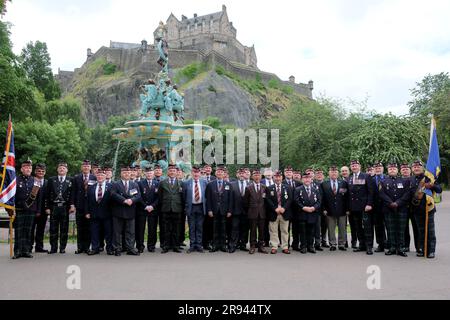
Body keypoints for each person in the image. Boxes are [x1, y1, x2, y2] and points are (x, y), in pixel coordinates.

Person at [409, 160, 442, 258]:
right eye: (414, 167)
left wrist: (432, 185)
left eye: (418, 166)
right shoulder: (410, 179)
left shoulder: (428, 177)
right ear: (412, 169)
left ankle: (431, 251)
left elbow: (439, 189)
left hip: (428, 208)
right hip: (416, 209)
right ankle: (423, 249)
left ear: (422, 168)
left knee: (430, 231)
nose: (416, 168)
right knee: (421, 231)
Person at [378, 162, 410, 257]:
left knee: (401, 229)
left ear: (397, 170)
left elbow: (407, 193)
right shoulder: (383, 182)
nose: (392, 170)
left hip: (401, 208)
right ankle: (392, 247)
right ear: (388, 171)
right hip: (388, 208)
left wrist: (398, 203)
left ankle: (400, 248)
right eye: (390, 169)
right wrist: (390, 203)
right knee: (390, 229)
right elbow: (381, 194)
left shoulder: (404, 181)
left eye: (394, 169)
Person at [11, 160, 39, 259]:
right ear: (22, 169)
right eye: (26, 167)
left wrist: (37, 210)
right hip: (19, 209)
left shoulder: (35, 180)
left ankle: (26, 251)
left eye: (30, 168)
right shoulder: (16, 180)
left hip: (31, 209)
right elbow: (12, 195)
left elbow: (38, 197)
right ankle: (17, 251)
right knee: (19, 231)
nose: (28, 169)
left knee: (28, 231)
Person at [110, 167, 141, 256]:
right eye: (124, 172)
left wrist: (132, 200)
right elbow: (113, 194)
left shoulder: (134, 184)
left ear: (130, 173)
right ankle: (117, 249)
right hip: (118, 211)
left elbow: (138, 196)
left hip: (130, 211)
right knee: (117, 232)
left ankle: (130, 248)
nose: (126, 174)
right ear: (121, 174)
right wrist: (124, 200)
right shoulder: (115, 184)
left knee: (130, 232)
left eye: (128, 172)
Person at [46, 162, 75, 254]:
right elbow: (47, 194)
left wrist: (72, 205)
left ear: (67, 170)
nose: (62, 169)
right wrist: (47, 207)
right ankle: (53, 248)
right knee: (53, 229)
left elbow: (72, 195)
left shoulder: (71, 180)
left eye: (63, 168)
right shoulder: (51, 179)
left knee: (64, 229)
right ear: (57, 170)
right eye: (60, 168)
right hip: (54, 207)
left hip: (65, 208)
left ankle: (62, 247)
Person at [348, 160, 375, 255]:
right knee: (358, 227)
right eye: (352, 166)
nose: (354, 167)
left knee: (367, 227)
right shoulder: (350, 178)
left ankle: (369, 246)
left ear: (359, 166)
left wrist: (369, 204)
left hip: (365, 207)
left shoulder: (366, 176)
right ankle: (362, 245)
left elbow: (371, 192)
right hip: (354, 207)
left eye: (355, 165)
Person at [321, 166, 349, 251]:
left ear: (338, 173)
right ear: (329, 173)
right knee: (331, 228)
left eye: (335, 172)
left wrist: (347, 209)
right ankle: (332, 244)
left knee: (342, 228)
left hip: (342, 209)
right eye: (332, 172)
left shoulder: (343, 183)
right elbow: (322, 198)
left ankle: (341, 244)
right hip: (329, 210)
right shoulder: (324, 184)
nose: (334, 173)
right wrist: (324, 209)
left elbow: (346, 197)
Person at [86, 169, 113, 255]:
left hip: (107, 214)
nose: (100, 177)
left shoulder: (111, 186)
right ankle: (95, 248)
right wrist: (87, 212)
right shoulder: (91, 187)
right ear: (96, 177)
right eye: (99, 175)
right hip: (94, 214)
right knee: (94, 232)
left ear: (105, 177)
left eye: (102, 175)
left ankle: (109, 248)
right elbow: (87, 201)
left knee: (108, 233)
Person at [206, 166, 233, 252]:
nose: (220, 173)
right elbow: (208, 198)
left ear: (224, 174)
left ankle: (223, 246)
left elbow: (230, 199)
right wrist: (209, 210)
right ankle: (215, 245)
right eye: (218, 172)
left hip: (224, 211)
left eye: (221, 172)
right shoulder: (210, 184)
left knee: (223, 229)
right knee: (215, 229)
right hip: (214, 210)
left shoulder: (228, 185)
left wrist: (229, 210)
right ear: (215, 173)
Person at [158, 164, 184, 253]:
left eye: (174, 171)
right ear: (167, 172)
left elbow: (182, 196)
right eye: (170, 171)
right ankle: (166, 246)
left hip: (177, 208)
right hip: (166, 208)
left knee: (176, 228)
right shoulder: (162, 183)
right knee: (166, 228)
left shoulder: (181, 183)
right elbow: (160, 196)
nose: (172, 172)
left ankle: (176, 246)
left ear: (176, 172)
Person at [72, 159, 96, 254]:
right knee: (80, 227)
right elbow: (73, 192)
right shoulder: (76, 178)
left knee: (88, 228)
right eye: (84, 166)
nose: (86, 167)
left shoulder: (94, 178)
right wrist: (72, 204)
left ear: (90, 168)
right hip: (80, 206)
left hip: (90, 207)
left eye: (88, 166)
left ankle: (87, 247)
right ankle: (80, 247)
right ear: (82, 167)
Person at [265, 170, 292, 254]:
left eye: (279, 176)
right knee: (273, 231)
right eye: (276, 177)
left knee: (285, 231)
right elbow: (268, 200)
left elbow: (290, 199)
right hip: (274, 213)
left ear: (282, 177)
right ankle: (274, 246)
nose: (277, 178)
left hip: (284, 212)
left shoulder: (287, 187)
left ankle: (285, 247)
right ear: (273, 178)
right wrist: (275, 208)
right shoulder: (269, 188)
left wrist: (284, 208)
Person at [295, 171, 322, 254]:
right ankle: (303, 246)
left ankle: (310, 246)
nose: (307, 180)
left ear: (311, 179)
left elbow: (319, 201)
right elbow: (296, 201)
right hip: (302, 214)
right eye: (305, 178)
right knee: (302, 231)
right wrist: (303, 207)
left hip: (312, 213)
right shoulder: (298, 189)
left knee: (311, 231)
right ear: (302, 180)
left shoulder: (315, 190)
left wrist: (314, 208)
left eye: (308, 178)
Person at [183, 166, 207, 253]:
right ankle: (192, 245)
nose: (196, 174)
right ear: (192, 173)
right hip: (191, 207)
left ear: (200, 173)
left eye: (197, 172)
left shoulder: (204, 182)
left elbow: (206, 196)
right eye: (194, 172)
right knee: (192, 227)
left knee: (200, 227)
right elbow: (184, 197)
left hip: (201, 207)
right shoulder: (186, 183)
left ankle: (199, 245)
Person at [244, 169, 268, 254]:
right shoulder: (248, 187)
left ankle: (261, 246)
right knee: (253, 230)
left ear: (261, 176)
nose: (257, 176)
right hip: (252, 213)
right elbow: (246, 202)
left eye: (258, 175)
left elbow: (266, 201)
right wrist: (250, 210)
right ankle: (252, 246)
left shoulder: (264, 187)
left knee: (262, 231)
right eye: (255, 175)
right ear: (252, 177)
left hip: (262, 213)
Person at [137, 167, 160, 253]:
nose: (149, 174)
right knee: (140, 229)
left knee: (152, 229)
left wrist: (152, 206)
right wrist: (145, 206)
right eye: (147, 173)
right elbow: (138, 196)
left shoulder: (157, 183)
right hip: (142, 209)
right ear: (145, 174)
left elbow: (159, 197)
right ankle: (140, 246)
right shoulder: (139, 183)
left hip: (153, 210)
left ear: (153, 174)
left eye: (151, 173)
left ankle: (151, 246)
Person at [30, 163, 48, 253]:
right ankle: (29, 247)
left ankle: (39, 247)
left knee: (41, 230)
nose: (41, 172)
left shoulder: (47, 182)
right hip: (32, 210)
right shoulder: (31, 181)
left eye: (42, 171)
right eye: (39, 171)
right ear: (35, 171)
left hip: (43, 210)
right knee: (31, 229)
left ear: (45, 172)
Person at [401, 162, 418, 252]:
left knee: (416, 228)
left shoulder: (415, 179)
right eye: (403, 169)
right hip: (403, 208)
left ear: (410, 170)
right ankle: (405, 245)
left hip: (414, 207)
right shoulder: (398, 180)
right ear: (400, 171)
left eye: (407, 169)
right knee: (404, 228)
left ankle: (418, 246)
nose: (405, 171)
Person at [230, 168, 249, 252]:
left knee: (245, 229)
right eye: (240, 173)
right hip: (235, 211)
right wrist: (230, 211)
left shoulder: (250, 184)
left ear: (246, 174)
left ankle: (243, 245)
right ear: (237, 175)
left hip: (246, 211)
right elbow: (229, 199)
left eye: (243, 173)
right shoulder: (232, 184)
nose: (241, 175)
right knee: (234, 228)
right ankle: (233, 245)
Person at [370, 162, 388, 252]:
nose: (378, 169)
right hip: (376, 207)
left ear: (383, 168)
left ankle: (390, 244)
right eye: (376, 168)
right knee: (378, 227)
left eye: (379, 167)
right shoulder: (370, 179)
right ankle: (381, 244)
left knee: (389, 226)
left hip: (387, 207)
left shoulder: (388, 178)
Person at [313, 169, 327, 251]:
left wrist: (325, 208)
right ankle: (316, 242)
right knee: (316, 227)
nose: (319, 175)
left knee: (324, 226)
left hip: (325, 209)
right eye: (317, 174)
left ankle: (324, 240)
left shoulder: (326, 183)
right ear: (315, 176)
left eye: (321, 174)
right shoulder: (313, 184)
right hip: (316, 209)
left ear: (323, 175)